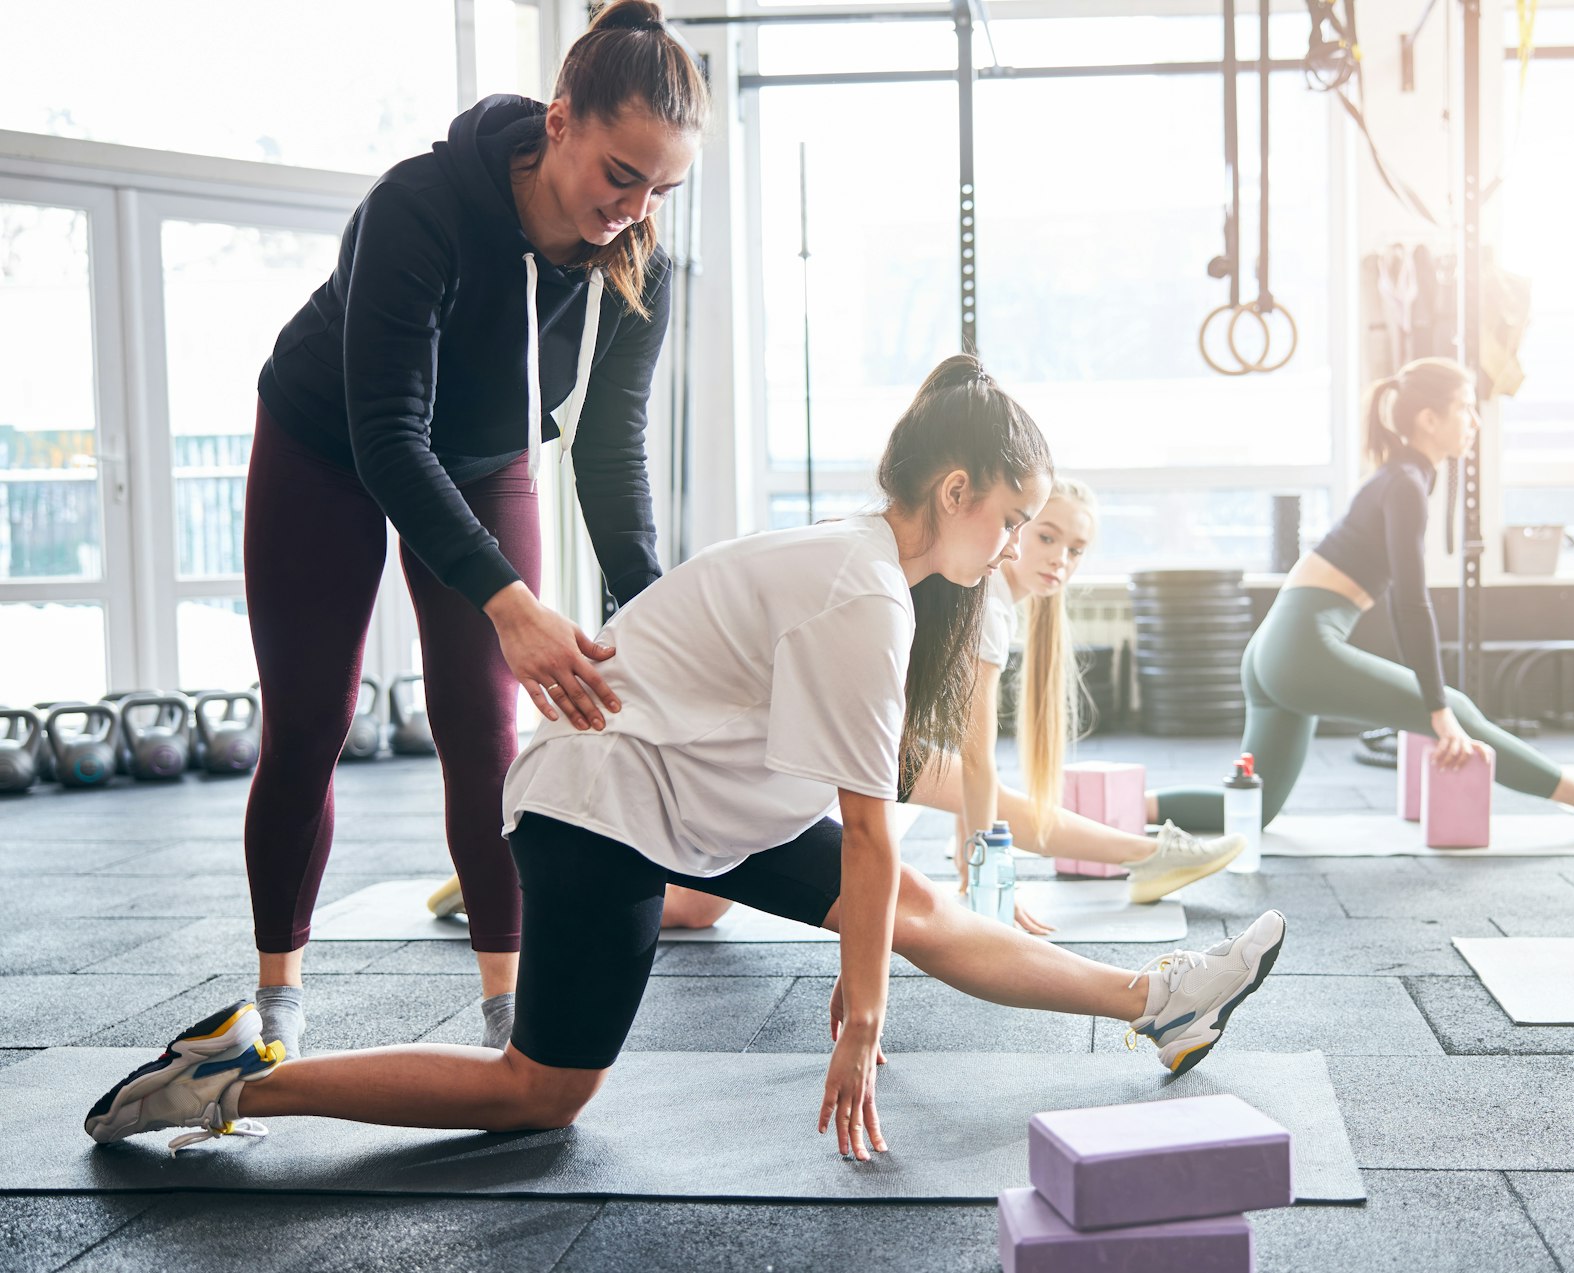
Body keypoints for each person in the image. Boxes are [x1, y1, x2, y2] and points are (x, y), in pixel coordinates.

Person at [85, 355, 1288, 1163]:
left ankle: (1162, 1004)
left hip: (704, 799)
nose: (1018, 543)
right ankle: (239, 1079)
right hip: (602, 810)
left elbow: (888, 822)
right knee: (541, 1094)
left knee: (912, 909)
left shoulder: (878, 578)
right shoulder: (860, 593)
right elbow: (866, 831)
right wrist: (859, 1025)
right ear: (957, 487)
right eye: (1011, 520)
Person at [238, 0, 706, 1058]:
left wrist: (653, 607)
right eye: (618, 173)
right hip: (329, 442)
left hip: (485, 456)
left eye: (659, 189)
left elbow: (607, 449)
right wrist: (513, 604)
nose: (631, 208)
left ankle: (508, 1007)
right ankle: (277, 995)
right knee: (310, 723)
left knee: (487, 734)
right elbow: (387, 437)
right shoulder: (422, 206)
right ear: (559, 122)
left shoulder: (640, 268)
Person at [656, 478, 1243, 937]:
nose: (1060, 558)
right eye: (1044, 535)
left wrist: (972, 850)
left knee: (698, 908)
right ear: (1013, 526)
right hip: (825, 724)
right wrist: (990, 876)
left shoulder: (992, 598)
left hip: (830, 724)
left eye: (1077, 549)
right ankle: (1151, 854)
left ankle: (1152, 855)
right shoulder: (985, 600)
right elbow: (977, 761)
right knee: (998, 797)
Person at [1152, 357, 1574, 835]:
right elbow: (1410, 602)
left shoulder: (1399, 477)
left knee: (1252, 809)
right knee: (1459, 713)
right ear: (1428, 418)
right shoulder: (1404, 483)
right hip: (1300, 647)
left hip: (1276, 646)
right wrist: (1436, 706)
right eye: (1466, 408)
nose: (1475, 421)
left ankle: (1122, 808)